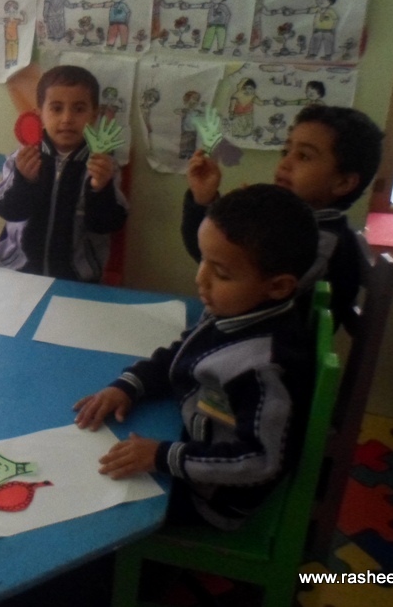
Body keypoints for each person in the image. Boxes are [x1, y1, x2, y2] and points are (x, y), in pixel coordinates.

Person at [75, 184, 320, 530]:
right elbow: (184, 351)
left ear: (278, 286)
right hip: (189, 442)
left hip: (209, 498)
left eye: (221, 273)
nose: (200, 278)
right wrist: (129, 385)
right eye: (203, 260)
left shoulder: (264, 367)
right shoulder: (239, 309)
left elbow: (260, 460)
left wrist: (162, 456)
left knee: (93, 506)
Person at [181, 104, 384, 329]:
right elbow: (214, 261)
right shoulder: (290, 225)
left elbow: (235, 284)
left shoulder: (321, 242)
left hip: (251, 342)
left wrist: (243, 229)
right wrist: (205, 201)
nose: (285, 164)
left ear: (343, 182)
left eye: (304, 156)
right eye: (286, 152)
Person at [0, 65, 128, 282]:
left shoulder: (104, 166)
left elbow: (107, 225)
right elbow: (6, 209)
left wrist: (100, 190)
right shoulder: (22, 158)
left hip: (76, 279)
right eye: (56, 108)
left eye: (79, 109)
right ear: (40, 114)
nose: (67, 118)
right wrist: (24, 181)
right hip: (17, 273)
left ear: (94, 115)